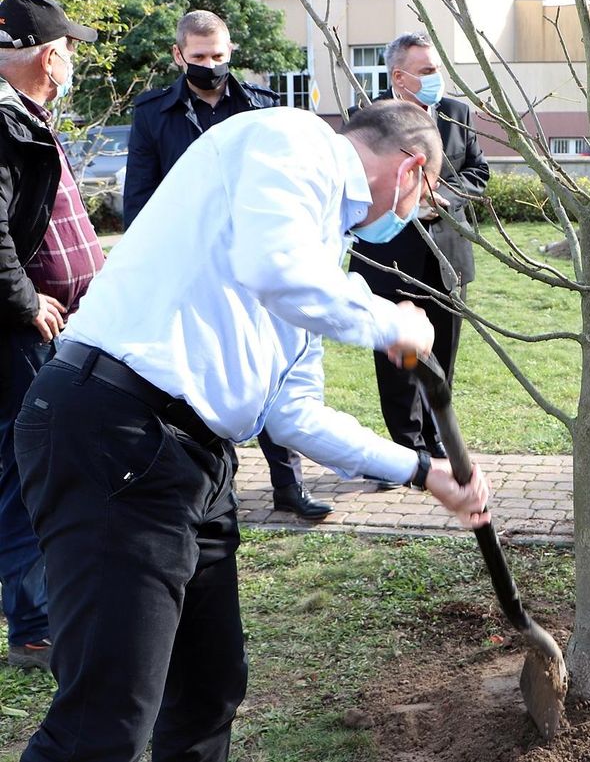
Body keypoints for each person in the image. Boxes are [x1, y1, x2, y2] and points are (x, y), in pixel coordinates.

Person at [15, 100, 492, 760]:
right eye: (428, 196)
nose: (417, 212)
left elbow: (294, 413)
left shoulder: (319, 245)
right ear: (413, 169)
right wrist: (390, 321)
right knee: (106, 717)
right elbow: (277, 271)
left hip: (193, 460)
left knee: (209, 688)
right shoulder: (290, 140)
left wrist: (423, 471)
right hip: (115, 427)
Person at [124, 10, 331, 520]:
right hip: (190, 267)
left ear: (231, 50)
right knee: (206, 375)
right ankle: (219, 489)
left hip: (255, 260)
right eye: (198, 58)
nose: (210, 65)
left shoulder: (262, 107)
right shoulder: (153, 114)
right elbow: (140, 201)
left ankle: (289, 485)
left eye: (218, 56)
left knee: (270, 369)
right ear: (178, 55)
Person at [0, 0, 102, 671]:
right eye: (68, 46)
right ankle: (35, 628)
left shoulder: (28, 116)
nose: (71, 57)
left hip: (50, 328)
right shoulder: (3, 123)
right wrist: (25, 300)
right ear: (45, 55)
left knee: (41, 466)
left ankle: (47, 610)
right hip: (21, 334)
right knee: (24, 470)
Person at [348, 32, 489, 472]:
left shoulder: (457, 114)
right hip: (391, 255)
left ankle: (436, 437)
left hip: (446, 255)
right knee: (396, 355)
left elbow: (478, 170)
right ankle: (408, 447)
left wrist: (444, 192)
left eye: (437, 69)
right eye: (427, 71)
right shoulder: (366, 120)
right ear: (399, 76)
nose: (436, 79)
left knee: (441, 352)